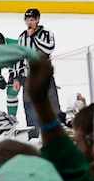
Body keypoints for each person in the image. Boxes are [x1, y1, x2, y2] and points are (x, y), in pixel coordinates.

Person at [9, 9, 60, 138]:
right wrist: (16, 78)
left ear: (38, 20)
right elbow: (19, 58)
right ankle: (33, 136)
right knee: (29, 107)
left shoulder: (47, 33)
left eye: (32, 19)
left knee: (52, 104)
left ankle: (57, 133)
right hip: (28, 77)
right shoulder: (22, 37)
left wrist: (34, 37)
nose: (29, 22)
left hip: (44, 76)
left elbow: (48, 49)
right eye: (27, 20)